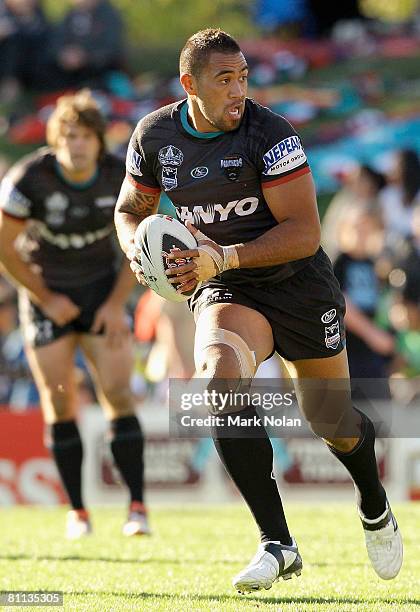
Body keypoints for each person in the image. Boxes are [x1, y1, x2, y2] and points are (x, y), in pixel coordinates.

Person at [114, 29, 402, 592]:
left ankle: (374, 504)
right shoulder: (155, 137)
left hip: (298, 284)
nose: (238, 89)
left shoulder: (271, 133)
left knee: (332, 424)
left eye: (243, 76)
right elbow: (131, 209)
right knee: (218, 380)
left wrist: (224, 256)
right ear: (189, 83)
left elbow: (305, 231)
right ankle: (278, 543)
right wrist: (138, 249)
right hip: (226, 287)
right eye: (225, 80)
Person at [0, 90, 148, 539]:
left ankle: (137, 508)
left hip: (103, 292)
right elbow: (4, 246)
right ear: (54, 140)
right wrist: (46, 299)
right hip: (48, 294)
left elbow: (141, 243)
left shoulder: (119, 175)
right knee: (60, 400)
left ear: (99, 141)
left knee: (118, 393)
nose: (76, 144)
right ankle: (79, 512)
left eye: (84, 136)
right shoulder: (29, 179)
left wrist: (115, 303)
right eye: (67, 136)